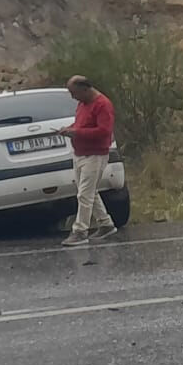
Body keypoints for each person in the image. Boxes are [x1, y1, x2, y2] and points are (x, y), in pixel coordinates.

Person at [58, 75, 117, 246]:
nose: (72, 96)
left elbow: (104, 131)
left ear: (85, 89)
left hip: (95, 155)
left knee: (84, 194)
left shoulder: (102, 105)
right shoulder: (82, 104)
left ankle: (80, 230)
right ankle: (105, 223)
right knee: (89, 191)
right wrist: (69, 130)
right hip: (80, 154)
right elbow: (81, 125)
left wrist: (77, 133)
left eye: (74, 92)